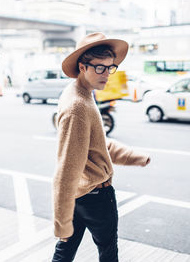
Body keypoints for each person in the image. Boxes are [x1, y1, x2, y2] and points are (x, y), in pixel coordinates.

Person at [52, 32, 151, 262]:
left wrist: (133, 156)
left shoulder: (78, 92)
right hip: (96, 196)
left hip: (80, 193)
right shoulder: (79, 106)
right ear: (82, 67)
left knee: (65, 251)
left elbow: (94, 145)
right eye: (99, 68)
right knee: (108, 252)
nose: (106, 74)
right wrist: (61, 225)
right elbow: (66, 172)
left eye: (110, 67)